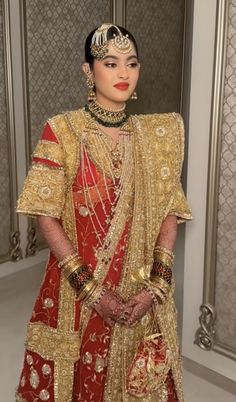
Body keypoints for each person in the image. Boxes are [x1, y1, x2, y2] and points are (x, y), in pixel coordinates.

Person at [15, 23, 192, 402]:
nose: (124, 74)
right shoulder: (62, 131)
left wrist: (157, 286)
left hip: (140, 290)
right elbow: (46, 215)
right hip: (77, 288)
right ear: (88, 71)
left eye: (132, 63)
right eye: (110, 63)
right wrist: (92, 291)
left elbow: (169, 211)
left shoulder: (156, 136)